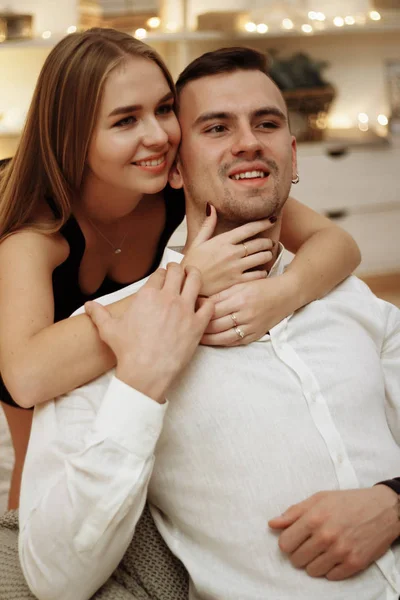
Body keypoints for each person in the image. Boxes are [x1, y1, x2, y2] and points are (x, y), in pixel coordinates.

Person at [18, 46, 400, 600]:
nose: (248, 141)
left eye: (266, 123)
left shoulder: (352, 302)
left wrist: (392, 502)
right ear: (173, 168)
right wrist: (142, 380)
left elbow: (338, 245)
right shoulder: (105, 345)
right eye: (216, 127)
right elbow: (54, 580)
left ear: (293, 155)